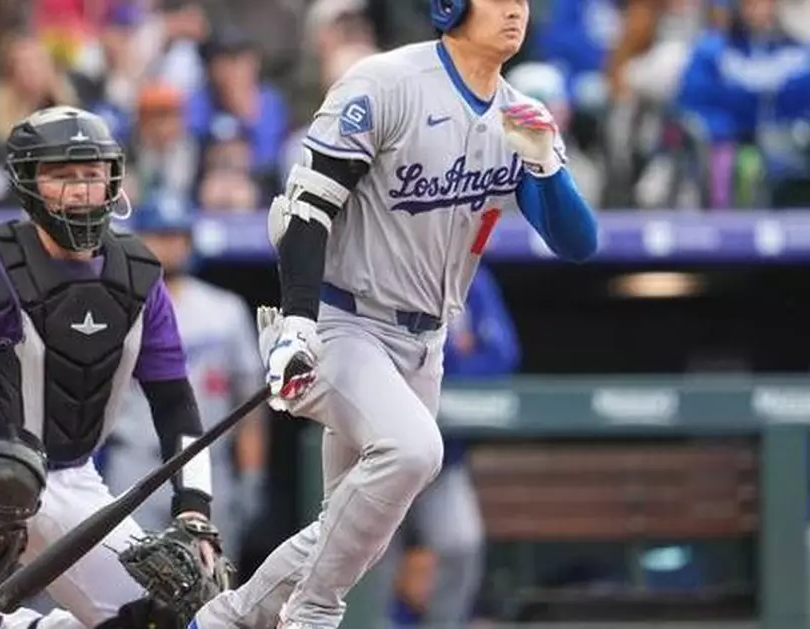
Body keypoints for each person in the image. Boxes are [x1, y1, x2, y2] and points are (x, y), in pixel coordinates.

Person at [189, 0, 599, 625]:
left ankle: (223, 620)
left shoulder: (518, 117)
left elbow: (577, 244)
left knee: (355, 533)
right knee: (414, 452)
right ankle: (313, 615)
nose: (516, 9)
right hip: (343, 320)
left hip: (424, 343)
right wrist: (297, 321)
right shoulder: (386, 84)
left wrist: (545, 162)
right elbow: (306, 209)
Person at [0, 105, 224, 629]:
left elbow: (176, 403)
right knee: (6, 470)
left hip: (73, 472)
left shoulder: (139, 278)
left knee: (169, 611)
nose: (80, 191)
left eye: (92, 175)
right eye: (61, 176)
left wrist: (195, 507)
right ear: (28, 184)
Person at [100, 196, 267, 564]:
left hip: (207, 463)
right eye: (158, 235)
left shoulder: (224, 309)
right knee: (126, 586)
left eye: (175, 235)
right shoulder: (114, 308)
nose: (168, 244)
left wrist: (252, 472)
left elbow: (248, 405)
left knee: (211, 586)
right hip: (134, 463)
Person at [389, 264, 520, 628]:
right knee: (366, 552)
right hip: (373, 449)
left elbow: (501, 357)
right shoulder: (388, 266)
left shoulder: (473, 278)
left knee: (461, 542)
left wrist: (448, 369)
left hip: (443, 459)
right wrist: (457, 353)